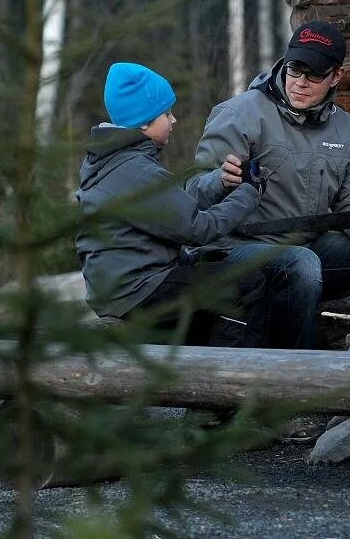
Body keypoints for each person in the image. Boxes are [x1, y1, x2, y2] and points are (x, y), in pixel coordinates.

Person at [186, 21, 350, 349]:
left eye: (313, 74)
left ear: (335, 76)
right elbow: (192, 193)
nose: (299, 82)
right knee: (301, 263)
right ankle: (297, 383)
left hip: (305, 248)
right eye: (294, 69)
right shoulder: (239, 115)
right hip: (232, 249)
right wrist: (220, 182)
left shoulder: (346, 130)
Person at [76, 62, 266, 346]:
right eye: (166, 113)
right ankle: (248, 368)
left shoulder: (109, 162)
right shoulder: (137, 171)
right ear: (143, 122)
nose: (174, 120)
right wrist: (250, 191)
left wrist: (222, 184)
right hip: (138, 291)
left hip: (117, 290)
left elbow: (176, 209)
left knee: (209, 288)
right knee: (248, 280)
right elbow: (198, 228)